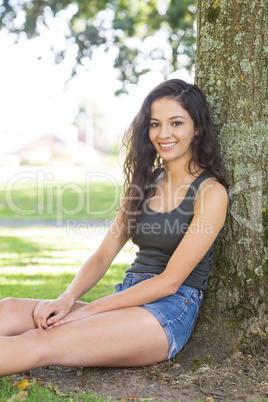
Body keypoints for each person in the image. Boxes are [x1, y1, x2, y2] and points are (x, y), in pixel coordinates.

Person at [0, 79, 228, 376]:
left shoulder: (210, 193)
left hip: (168, 311)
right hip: (126, 297)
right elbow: (103, 255)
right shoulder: (143, 185)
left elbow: (170, 281)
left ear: (197, 128)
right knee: (9, 308)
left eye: (176, 123)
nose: (164, 133)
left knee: (40, 339)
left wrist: (91, 311)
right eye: (155, 124)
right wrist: (66, 300)